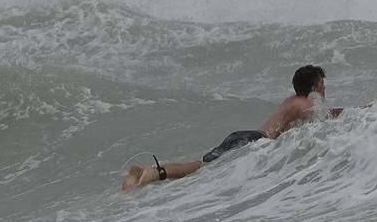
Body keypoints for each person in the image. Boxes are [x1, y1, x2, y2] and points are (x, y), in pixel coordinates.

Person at [121, 65, 347, 190]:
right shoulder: (306, 103)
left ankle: (152, 171)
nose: (324, 86)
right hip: (253, 142)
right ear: (314, 86)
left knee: (202, 167)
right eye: (321, 83)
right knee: (203, 171)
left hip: (245, 136)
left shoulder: (292, 101)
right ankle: (150, 174)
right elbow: (323, 120)